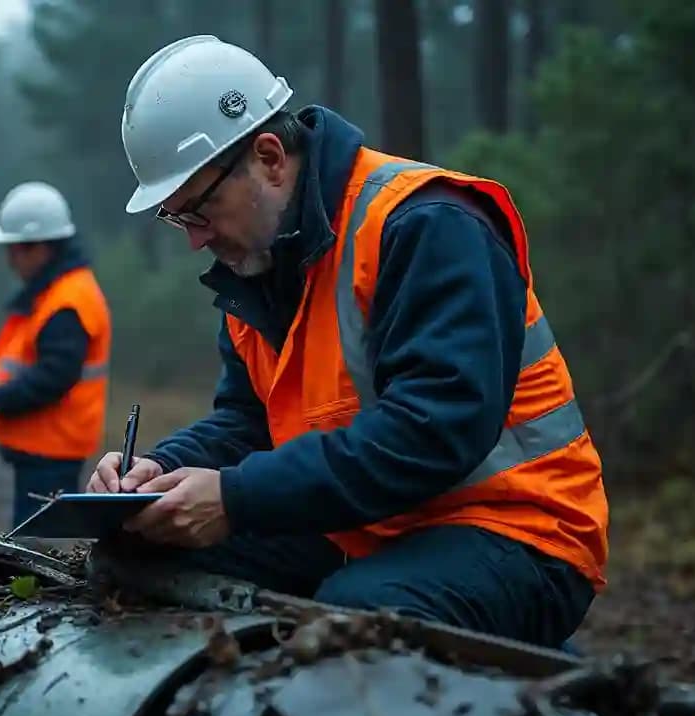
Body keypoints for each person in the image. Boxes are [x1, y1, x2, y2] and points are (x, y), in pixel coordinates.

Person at [88, 35, 608, 648]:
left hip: (520, 532)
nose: (195, 241)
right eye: (177, 218)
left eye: (199, 210)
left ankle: (543, 691)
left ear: (270, 156)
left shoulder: (427, 225)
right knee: (133, 554)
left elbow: (434, 431)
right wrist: (163, 471)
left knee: (354, 622)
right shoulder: (257, 268)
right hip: (366, 526)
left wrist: (237, 497)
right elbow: (247, 422)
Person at [0, 181, 113, 528]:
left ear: (41, 247)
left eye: (15, 249)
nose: (10, 259)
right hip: (44, 445)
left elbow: (54, 376)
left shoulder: (67, 301)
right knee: (33, 538)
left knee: (38, 544)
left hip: (52, 448)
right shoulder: (55, 293)